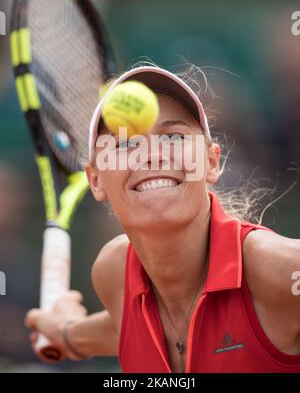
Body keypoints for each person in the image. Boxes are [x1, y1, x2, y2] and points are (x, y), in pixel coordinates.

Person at [26, 66, 300, 373]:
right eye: (125, 143)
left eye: (173, 136)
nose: (152, 154)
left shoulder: (280, 271)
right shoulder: (114, 273)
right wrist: (66, 334)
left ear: (211, 162)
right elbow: (126, 326)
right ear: (96, 180)